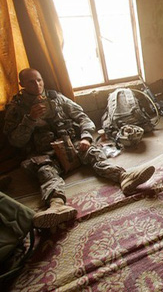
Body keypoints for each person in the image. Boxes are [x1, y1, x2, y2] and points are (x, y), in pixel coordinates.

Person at [2, 68, 155, 229]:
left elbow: (82, 116)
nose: (37, 85)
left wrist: (86, 137)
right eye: (31, 82)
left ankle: (124, 177)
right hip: (44, 154)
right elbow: (15, 141)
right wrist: (30, 119)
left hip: (71, 144)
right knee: (45, 172)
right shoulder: (16, 108)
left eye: (39, 80)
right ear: (22, 84)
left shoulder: (55, 98)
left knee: (94, 152)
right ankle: (57, 205)